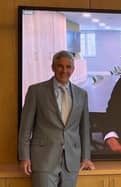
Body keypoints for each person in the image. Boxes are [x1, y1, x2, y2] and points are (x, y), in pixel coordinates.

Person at [18, 50, 95, 187]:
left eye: (68, 67)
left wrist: (86, 157)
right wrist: (24, 157)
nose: (64, 70)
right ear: (53, 67)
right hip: (43, 160)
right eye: (60, 66)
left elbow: (84, 129)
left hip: (71, 161)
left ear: (73, 69)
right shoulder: (36, 91)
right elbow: (25, 128)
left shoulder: (81, 94)